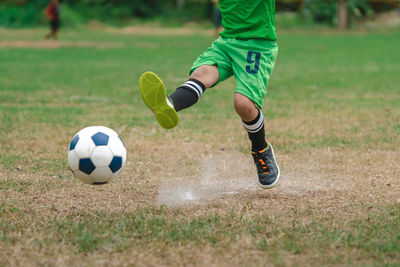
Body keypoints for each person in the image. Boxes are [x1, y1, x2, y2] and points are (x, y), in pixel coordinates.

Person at [139, 0, 280, 189]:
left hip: (257, 45)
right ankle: (168, 104)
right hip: (227, 42)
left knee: (243, 104)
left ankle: (261, 149)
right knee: (200, 74)